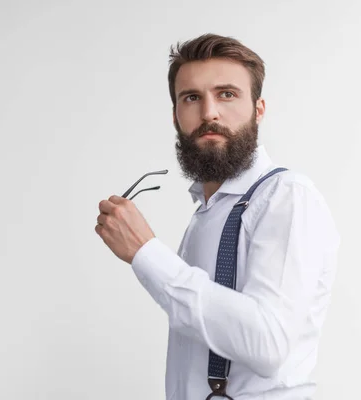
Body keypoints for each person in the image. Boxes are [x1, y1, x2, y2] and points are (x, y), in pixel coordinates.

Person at [95, 33, 340, 400]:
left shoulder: (286, 196)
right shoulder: (207, 213)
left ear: (258, 109)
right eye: (191, 98)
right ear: (176, 114)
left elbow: (268, 343)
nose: (209, 112)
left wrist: (146, 252)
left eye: (227, 94)